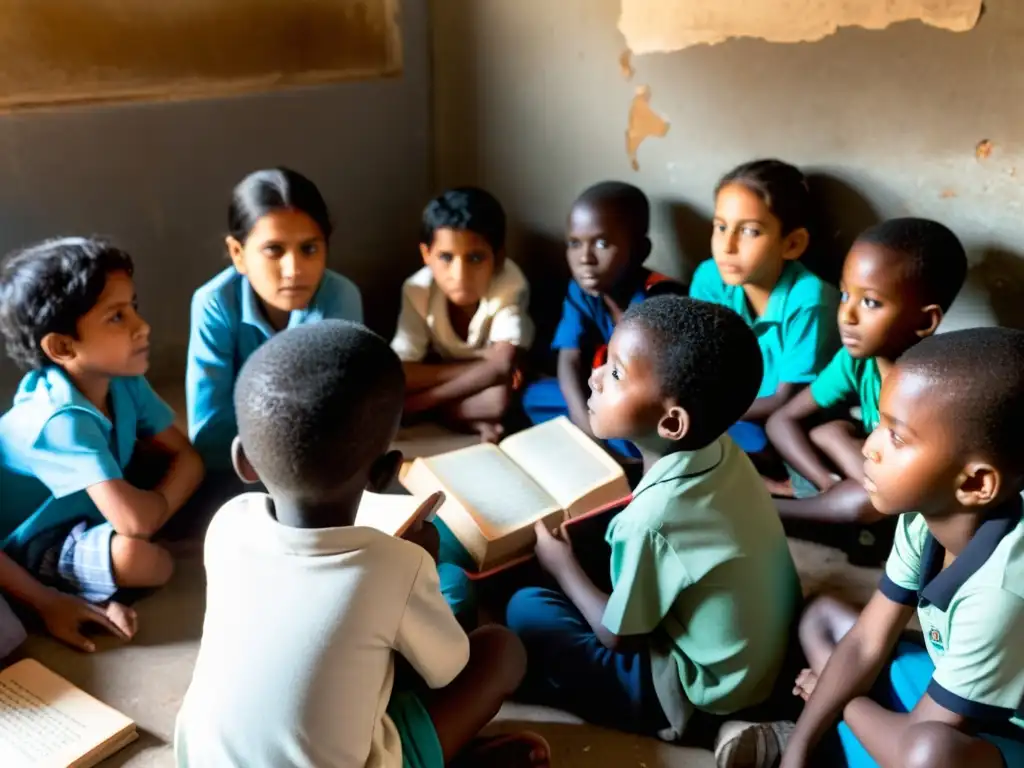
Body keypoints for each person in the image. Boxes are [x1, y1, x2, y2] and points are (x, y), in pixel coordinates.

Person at [175, 320, 548, 768]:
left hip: (203, 759)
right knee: (501, 651)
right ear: (386, 472)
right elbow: (448, 669)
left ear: (244, 462)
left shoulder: (227, 524)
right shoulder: (396, 566)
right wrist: (419, 565)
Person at [717, 328, 1024, 768]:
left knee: (927, 756)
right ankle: (816, 740)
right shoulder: (924, 515)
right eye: (879, 423)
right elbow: (865, 641)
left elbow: (917, 743)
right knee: (822, 619)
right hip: (957, 696)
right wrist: (798, 752)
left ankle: (833, 733)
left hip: (1003, 730)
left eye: (897, 437)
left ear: (974, 483)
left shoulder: (1002, 591)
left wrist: (842, 698)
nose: (870, 449)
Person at [506, 297, 800, 741]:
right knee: (590, 543)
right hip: (760, 660)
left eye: (617, 373)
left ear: (671, 423)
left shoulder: (651, 520)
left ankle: (706, 729)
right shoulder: (724, 451)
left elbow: (618, 638)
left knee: (526, 607)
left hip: (699, 693)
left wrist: (561, 566)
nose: (595, 375)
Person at [0, 237, 202, 621]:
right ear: (62, 347)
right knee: (145, 561)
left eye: (134, 308)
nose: (142, 326)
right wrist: (152, 516)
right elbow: (135, 523)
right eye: (116, 317)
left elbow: (188, 457)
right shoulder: (59, 420)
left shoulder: (121, 380)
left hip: (91, 512)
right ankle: (71, 596)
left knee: (212, 492)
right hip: (31, 544)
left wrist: (152, 511)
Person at [766, 219, 967, 559]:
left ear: (924, 321)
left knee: (862, 502)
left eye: (871, 302)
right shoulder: (855, 361)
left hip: (911, 501)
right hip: (874, 474)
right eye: (846, 294)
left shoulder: (932, 391)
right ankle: (826, 493)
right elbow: (781, 420)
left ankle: (771, 513)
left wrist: (843, 491)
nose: (847, 315)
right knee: (829, 442)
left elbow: (910, 494)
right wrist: (826, 483)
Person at [186, 168, 363, 475]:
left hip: (319, 467)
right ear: (238, 253)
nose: (294, 269)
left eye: (309, 249)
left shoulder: (340, 297)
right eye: (274, 250)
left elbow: (341, 417)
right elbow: (209, 428)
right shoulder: (214, 303)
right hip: (236, 465)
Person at [521, 181, 683, 460]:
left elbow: (654, 389)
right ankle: (604, 441)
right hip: (599, 399)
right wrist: (587, 426)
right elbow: (568, 359)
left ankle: (622, 451)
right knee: (534, 396)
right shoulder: (581, 291)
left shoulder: (660, 299)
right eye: (574, 243)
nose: (585, 258)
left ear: (641, 250)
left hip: (643, 404)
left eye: (602, 243)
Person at [690, 159, 839, 457]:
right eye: (721, 227)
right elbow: (701, 359)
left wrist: (702, 413)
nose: (727, 246)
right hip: (731, 409)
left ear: (792, 243)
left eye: (750, 231)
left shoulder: (809, 300)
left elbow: (787, 400)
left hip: (785, 418)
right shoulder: (710, 277)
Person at [393, 187, 534, 444]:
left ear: (498, 258)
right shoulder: (417, 289)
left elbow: (502, 365)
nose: (460, 275)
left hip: (478, 388)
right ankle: (464, 420)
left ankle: (431, 414)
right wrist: (482, 367)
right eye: (446, 257)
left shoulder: (510, 282)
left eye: (475, 258)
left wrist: (414, 406)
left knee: (498, 399)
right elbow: (400, 372)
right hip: (465, 379)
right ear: (426, 255)